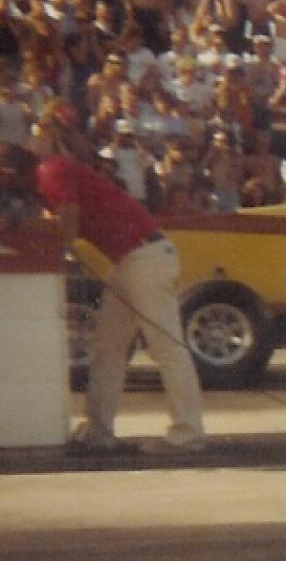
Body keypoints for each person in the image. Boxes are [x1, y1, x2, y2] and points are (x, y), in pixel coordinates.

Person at [0, 141, 205, 454]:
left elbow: (67, 230)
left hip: (144, 256)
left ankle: (188, 434)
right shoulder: (46, 176)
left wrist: (14, 224)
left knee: (165, 345)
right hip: (131, 258)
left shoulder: (51, 171)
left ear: (10, 170)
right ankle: (99, 432)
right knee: (108, 348)